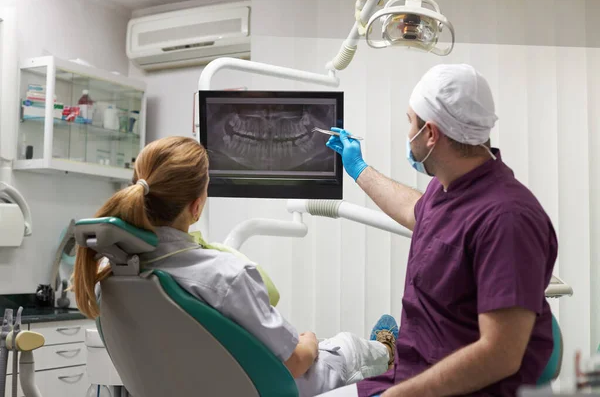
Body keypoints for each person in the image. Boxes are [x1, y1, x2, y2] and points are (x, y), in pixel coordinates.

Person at [72, 136, 398, 397]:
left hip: (193, 384)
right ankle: (391, 351)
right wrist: (310, 342)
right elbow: (296, 363)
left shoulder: (111, 277)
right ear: (196, 206)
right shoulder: (224, 274)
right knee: (345, 347)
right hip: (278, 387)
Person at [323, 64, 558, 397]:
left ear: (431, 134)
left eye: (410, 123)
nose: (408, 135)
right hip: (412, 372)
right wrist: (360, 169)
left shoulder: (508, 219)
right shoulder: (449, 187)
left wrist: (400, 396)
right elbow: (417, 211)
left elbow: (500, 354)